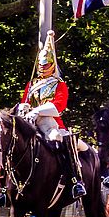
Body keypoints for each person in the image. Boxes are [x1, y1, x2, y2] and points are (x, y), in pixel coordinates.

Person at [17, 29, 86, 200]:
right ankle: (6, 188)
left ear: (52, 65)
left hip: (49, 123)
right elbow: (25, 100)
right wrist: (24, 108)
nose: (42, 68)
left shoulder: (59, 84)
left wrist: (36, 110)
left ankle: (75, 179)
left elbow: (59, 106)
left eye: (46, 65)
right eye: (41, 65)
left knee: (58, 138)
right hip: (29, 121)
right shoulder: (31, 84)